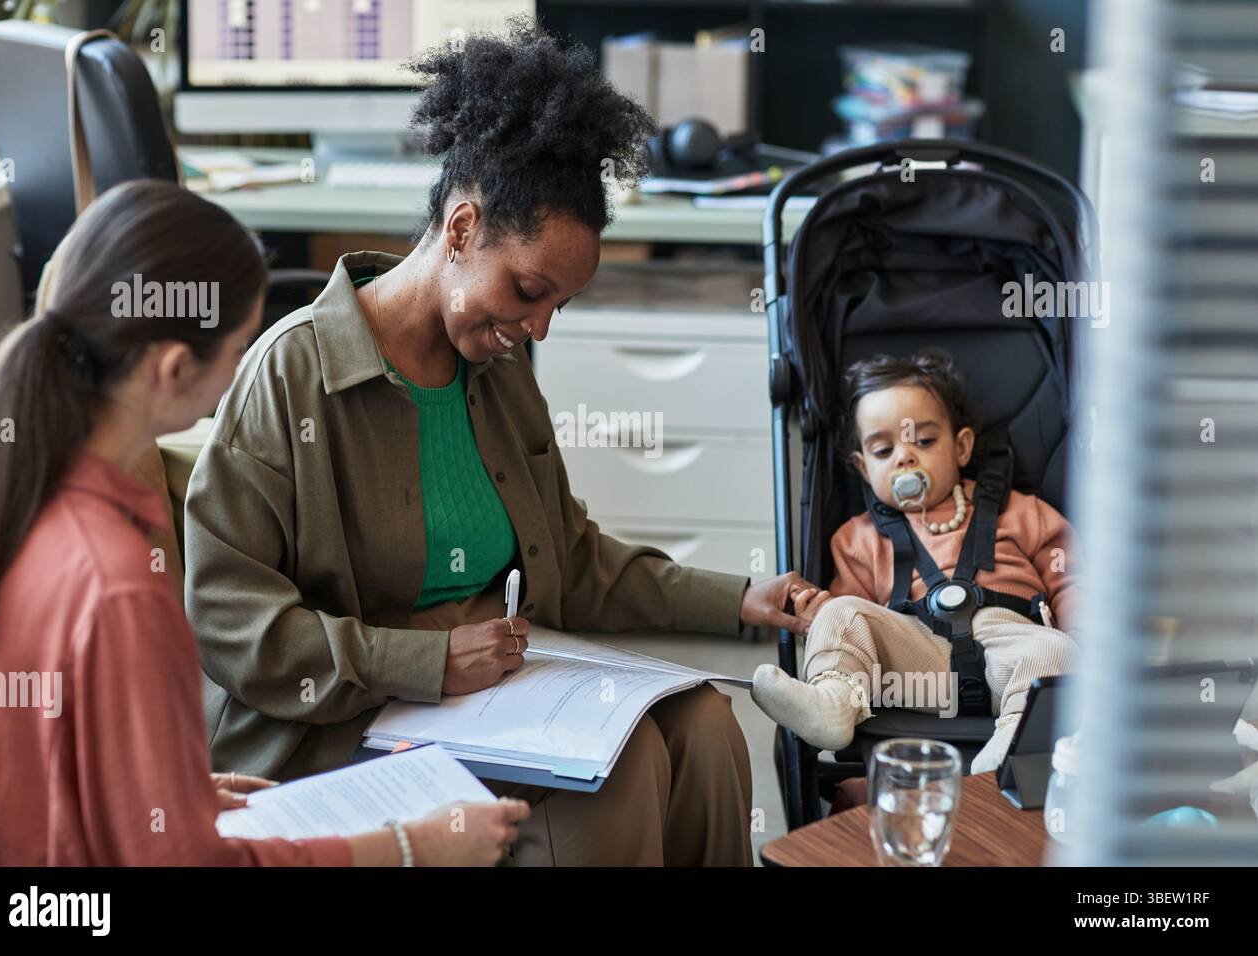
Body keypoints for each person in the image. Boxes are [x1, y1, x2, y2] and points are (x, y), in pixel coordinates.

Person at [182, 19, 818, 866]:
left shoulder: (498, 366)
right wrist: (424, 662)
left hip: (492, 695)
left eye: (558, 306)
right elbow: (232, 627)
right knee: (619, 783)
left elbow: (569, 558)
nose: (539, 327)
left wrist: (738, 597)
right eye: (528, 290)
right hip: (333, 725)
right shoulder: (290, 376)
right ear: (460, 227)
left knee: (706, 726)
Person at [0, 179, 526, 865]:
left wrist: (166, 787)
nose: (238, 377)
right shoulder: (120, 587)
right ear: (173, 369)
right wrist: (409, 848)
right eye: (233, 354)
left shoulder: (9, 507)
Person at [752, 350, 1080, 773]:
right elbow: (858, 627)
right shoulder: (857, 538)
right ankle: (834, 700)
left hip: (1010, 647)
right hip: (912, 665)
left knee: (1058, 650)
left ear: (961, 447)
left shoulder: (1022, 511)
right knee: (842, 611)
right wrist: (819, 615)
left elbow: (1070, 580)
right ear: (863, 468)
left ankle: (1013, 741)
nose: (905, 457)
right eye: (884, 449)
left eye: (923, 441)